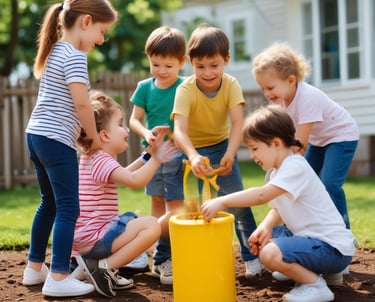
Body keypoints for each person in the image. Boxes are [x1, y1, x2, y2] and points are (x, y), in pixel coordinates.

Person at [201, 105, 357, 302]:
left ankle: (315, 286)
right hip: (322, 244)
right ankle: (314, 271)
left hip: (332, 250)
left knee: (269, 254)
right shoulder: (278, 172)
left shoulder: (295, 166)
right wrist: (265, 227)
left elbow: (261, 196)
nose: (252, 155)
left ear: (275, 143)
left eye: (254, 148)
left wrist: (222, 201)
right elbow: (278, 209)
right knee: (266, 239)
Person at [22, 0, 117, 297]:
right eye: (101, 32)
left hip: (35, 136)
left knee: (48, 203)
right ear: (86, 22)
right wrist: (95, 138)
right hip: (55, 141)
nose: (101, 40)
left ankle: (34, 269)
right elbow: (81, 104)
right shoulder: (75, 56)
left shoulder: (55, 51)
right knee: (68, 208)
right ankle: (59, 276)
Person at [171, 23, 262, 278]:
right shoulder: (185, 90)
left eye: (214, 65)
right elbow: (179, 130)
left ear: (226, 60)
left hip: (222, 147)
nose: (208, 72)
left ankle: (251, 257)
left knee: (238, 203)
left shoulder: (231, 85)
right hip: (192, 151)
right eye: (200, 66)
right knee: (193, 209)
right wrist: (193, 155)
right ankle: (195, 257)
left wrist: (231, 153)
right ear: (190, 62)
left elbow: (237, 123)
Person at [73, 91, 177, 297]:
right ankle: (105, 268)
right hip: (95, 238)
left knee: (133, 221)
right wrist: (156, 158)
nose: (126, 128)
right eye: (120, 124)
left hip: (88, 238)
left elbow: (126, 174)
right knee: (151, 225)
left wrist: (147, 155)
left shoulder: (93, 158)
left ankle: (97, 266)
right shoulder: (101, 160)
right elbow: (135, 182)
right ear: (105, 135)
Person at [251, 42, 359, 230]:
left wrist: (281, 169)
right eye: (263, 89)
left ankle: (344, 232)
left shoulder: (308, 98)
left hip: (341, 136)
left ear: (291, 80)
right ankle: (309, 226)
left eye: (270, 87)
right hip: (319, 140)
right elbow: (284, 137)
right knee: (301, 180)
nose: (267, 94)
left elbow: (299, 145)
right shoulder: (282, 102)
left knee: (329, 184)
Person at [129, 26, 187, 285]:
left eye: (168, 65)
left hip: (175, 156)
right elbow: (134, 119)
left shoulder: (185, 87)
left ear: (182, 62)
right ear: (148, 58)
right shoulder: (144, 87)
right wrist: (147, 133)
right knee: (156, 208)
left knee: (174, 209)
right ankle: (147, 253)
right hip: (152, 155)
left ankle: (165, 258)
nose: (161, 70)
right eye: (155, 64)